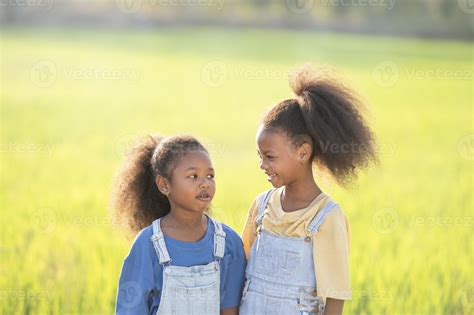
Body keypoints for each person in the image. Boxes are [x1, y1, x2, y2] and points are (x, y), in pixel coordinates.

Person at [241, 65, 378, 315]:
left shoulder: (326, 218)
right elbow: (240, 272)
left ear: (303, 151)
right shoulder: (261, 207)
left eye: (270, 157)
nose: (262, 165)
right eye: (260, 156)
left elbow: (335, 297)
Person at [111, 134, 246, 315]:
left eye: (210, 175)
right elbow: (131, 310)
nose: (205, 183)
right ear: (164, 185)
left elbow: (230, 309)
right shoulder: (148, 244)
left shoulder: (229, 243)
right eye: (193, 176)